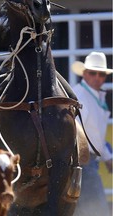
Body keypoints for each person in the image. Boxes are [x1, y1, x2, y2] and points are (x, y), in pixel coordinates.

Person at [71, 51, 113, 216]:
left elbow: (93, 135)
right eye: (92, 73)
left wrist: (108, 157)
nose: (97, 77)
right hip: (83, 163)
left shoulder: (88, 95)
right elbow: (77, 134)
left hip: (85, 163)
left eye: (101, 74)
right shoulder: (80, 96)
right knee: (97, 211)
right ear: (84, 73)